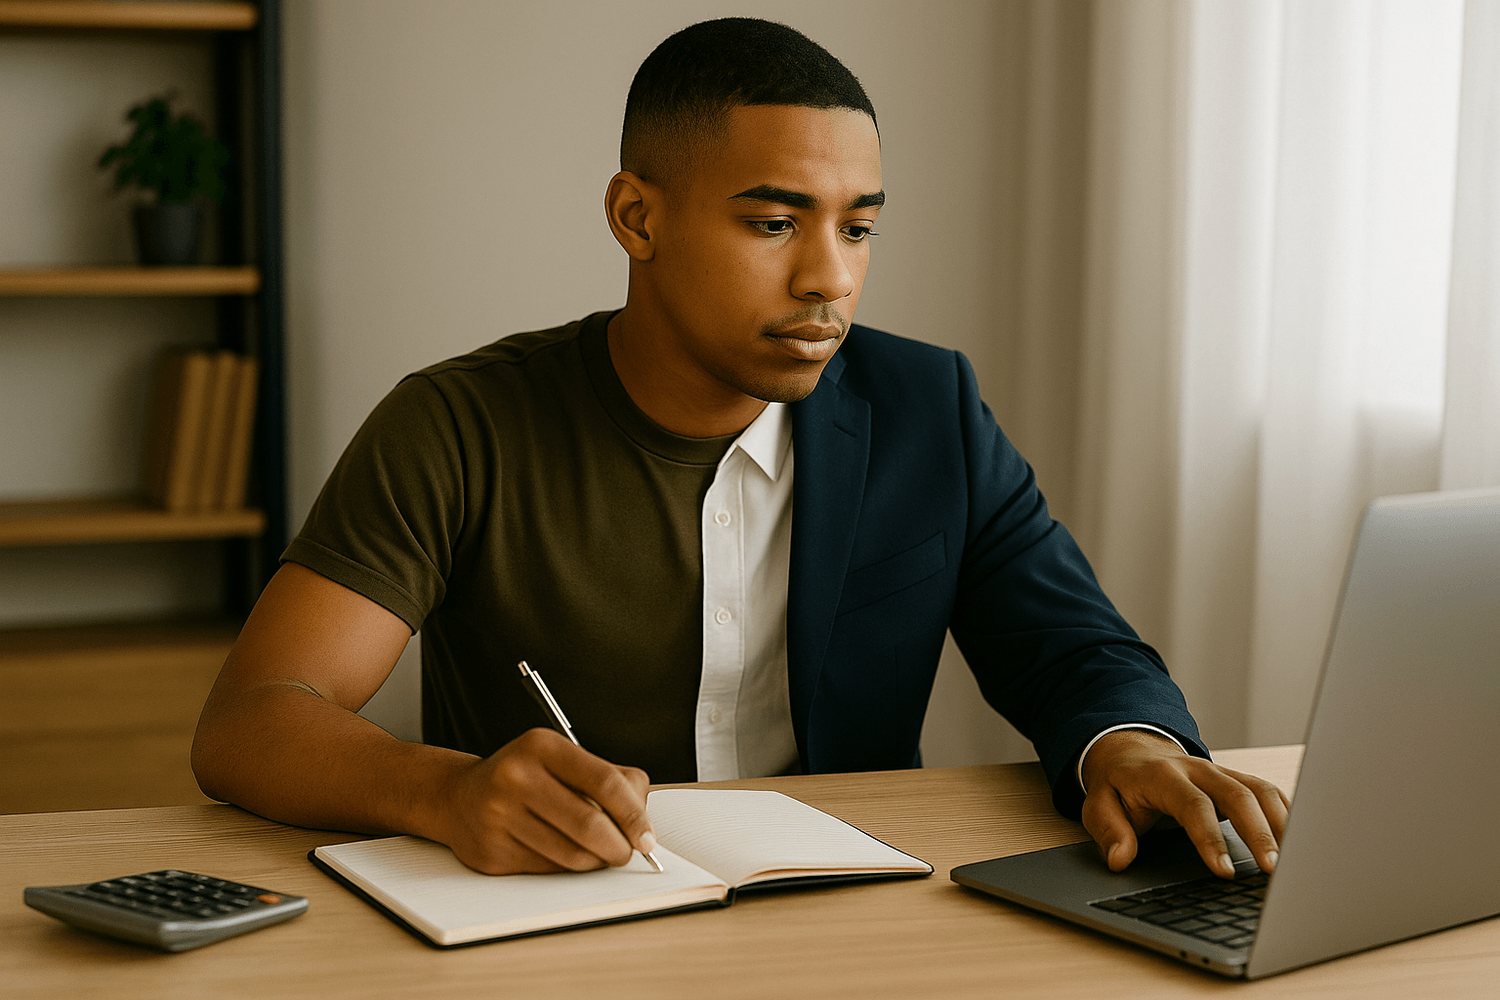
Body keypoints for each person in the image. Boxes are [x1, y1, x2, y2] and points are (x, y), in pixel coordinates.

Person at [192, 17, 1288, 882]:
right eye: (774, 223)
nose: (832, 278)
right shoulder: (459, 423)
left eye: (856, 226)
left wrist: (1132, 748)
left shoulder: (928, 407)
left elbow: (1074, 651)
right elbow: (254, 717)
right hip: (553, 921)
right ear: (637, 216)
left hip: (851, 918)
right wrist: (442, 791)